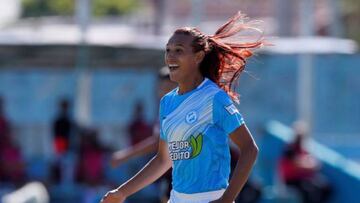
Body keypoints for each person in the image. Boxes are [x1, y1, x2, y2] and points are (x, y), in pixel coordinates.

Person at [102, 11, 264, 203]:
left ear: (198, 57)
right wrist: (122, 192)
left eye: (178, 50)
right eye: (168, 50)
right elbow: (163, 159)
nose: (170, 56)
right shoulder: (167, 102)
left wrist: (227, 199)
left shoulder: (214, 98)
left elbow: (250, 149)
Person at [278, 121, 333, 203]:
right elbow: (298, 165)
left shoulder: (303, 149)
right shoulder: (290, 149)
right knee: (307, 191)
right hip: (292, 180)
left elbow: (315, 164)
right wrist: (308, 165)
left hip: (303, 178)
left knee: (325, 187)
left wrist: (309, 164)